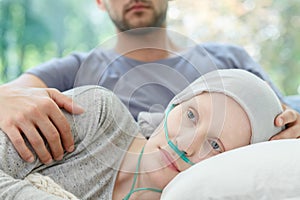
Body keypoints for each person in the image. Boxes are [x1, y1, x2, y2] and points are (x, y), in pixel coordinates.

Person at [0, 0, 299, 164]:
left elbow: (283, 118)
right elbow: (11, 95)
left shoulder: (230, 60)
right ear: (100, 2)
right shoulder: (74, 69)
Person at [0, 69, 284, 200]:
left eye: (214, 144)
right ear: (174, 103)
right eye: (191, 116)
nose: (186, 145)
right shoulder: (97, 114)